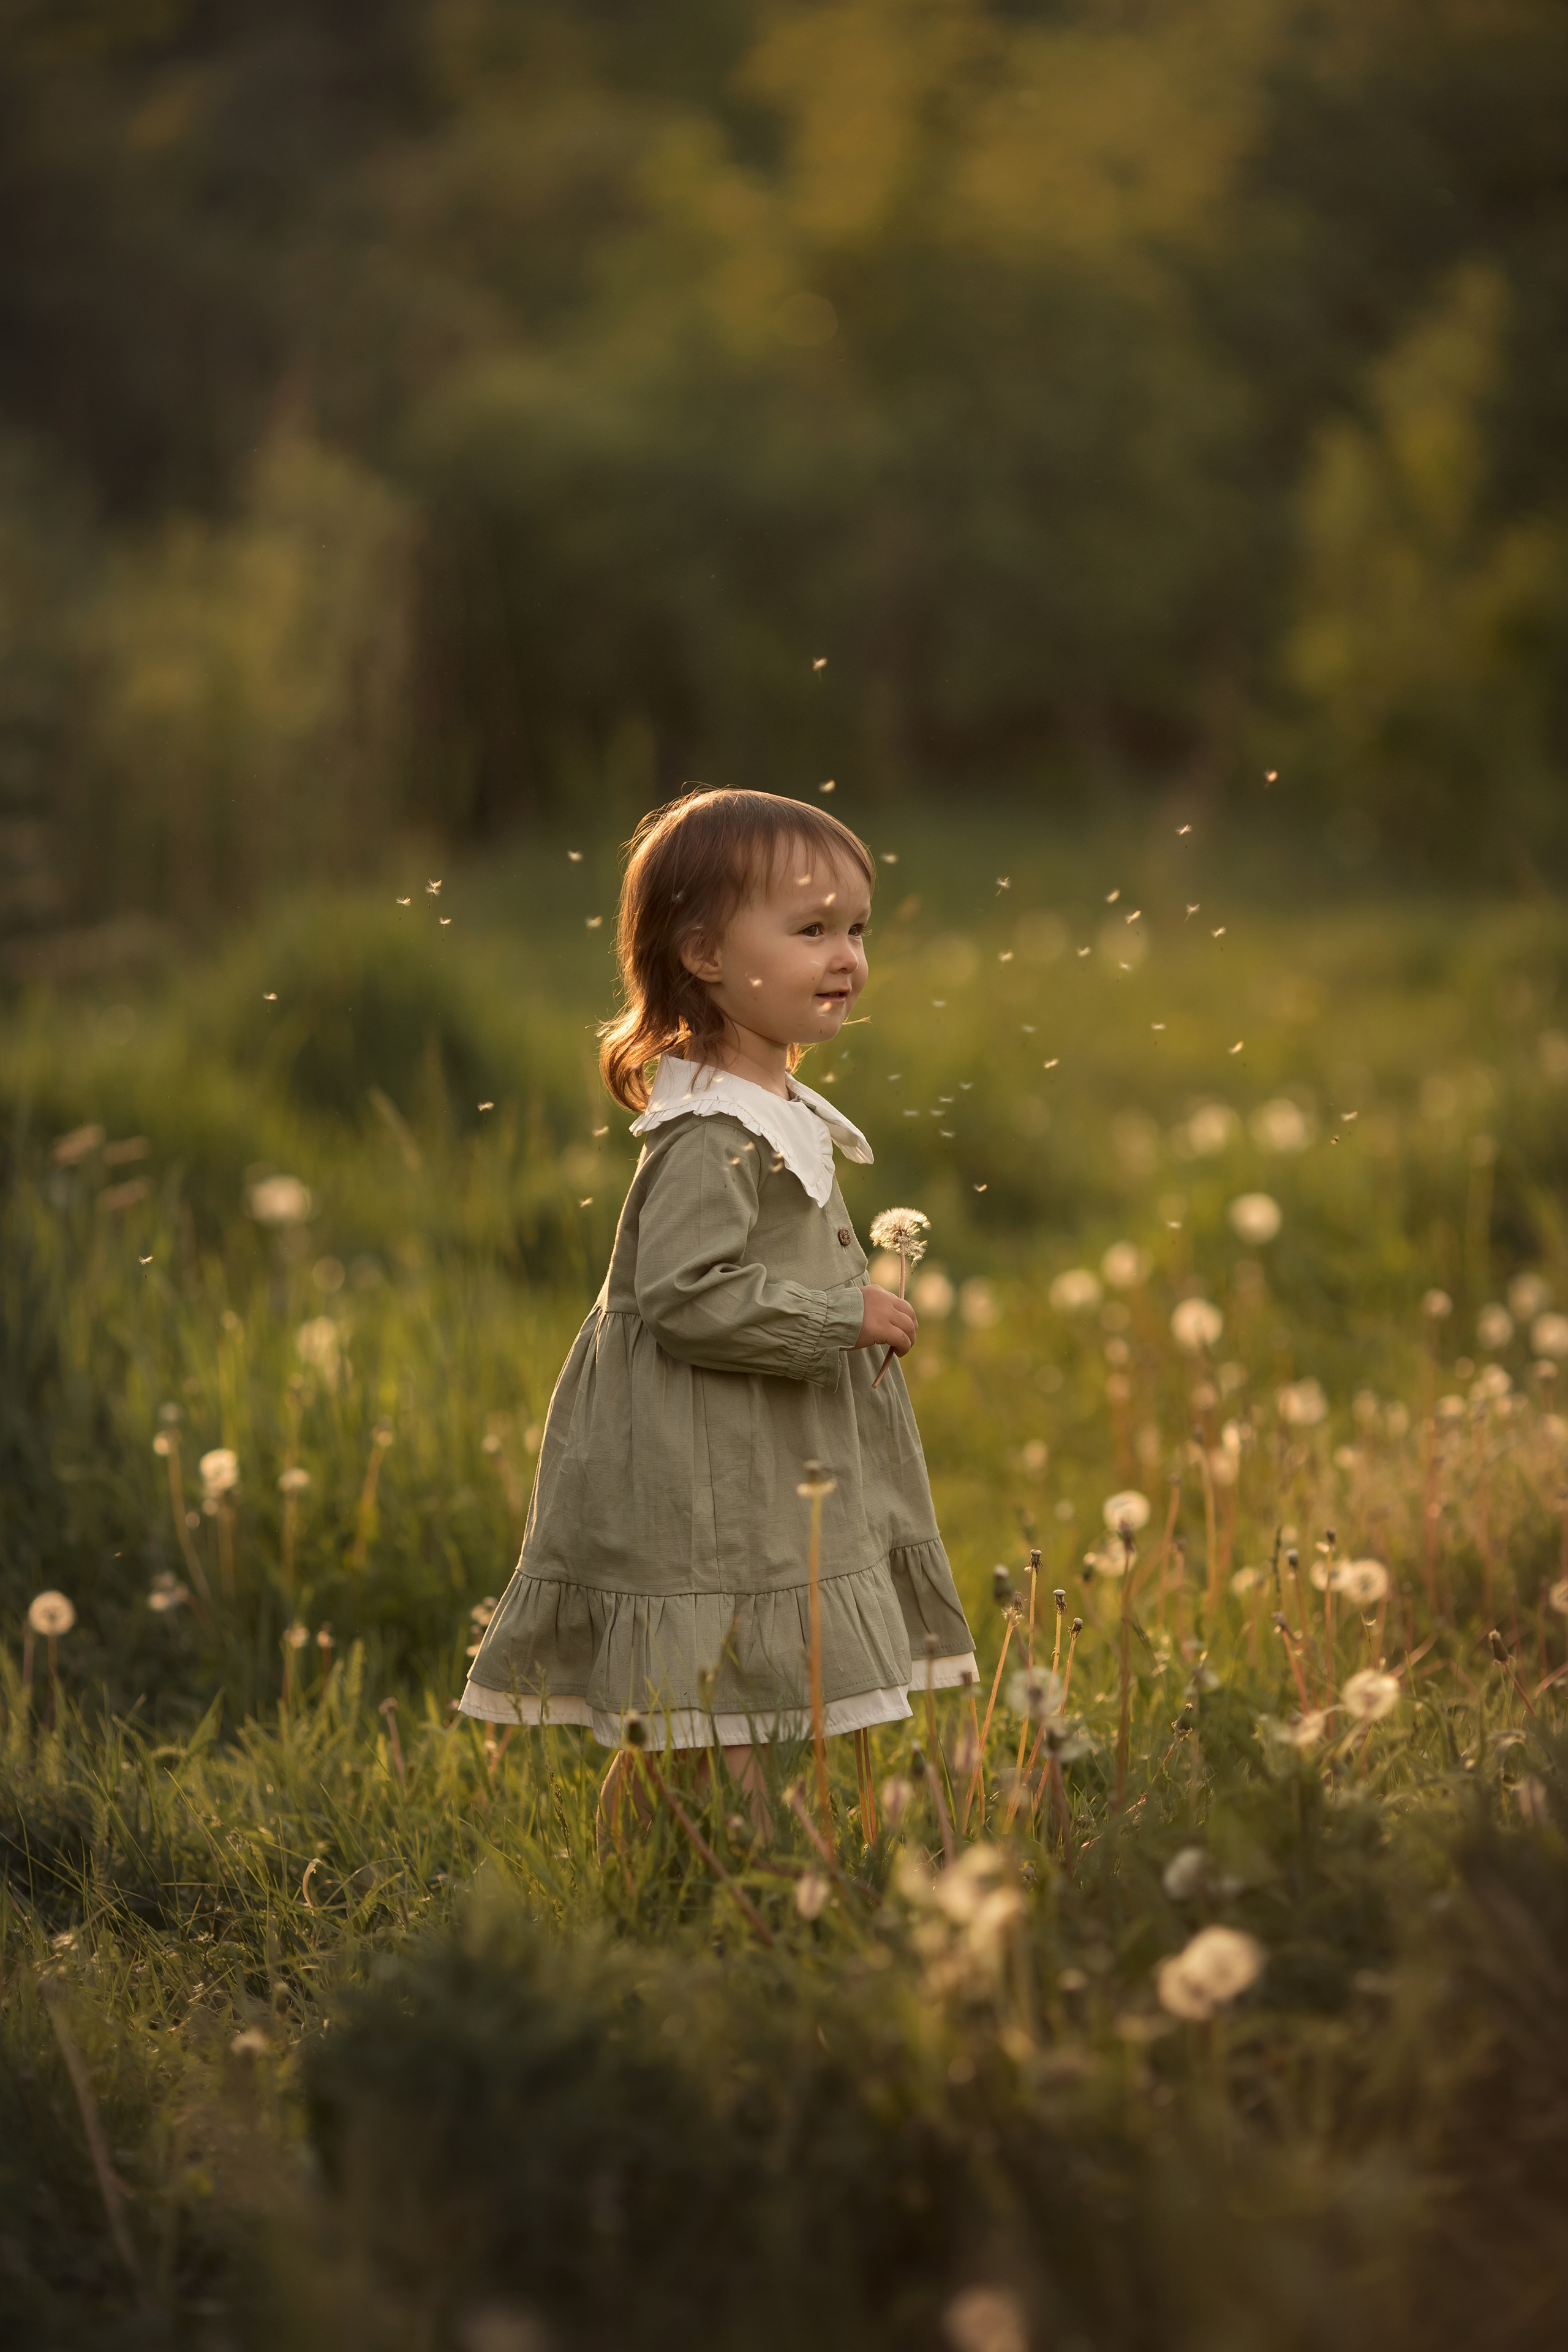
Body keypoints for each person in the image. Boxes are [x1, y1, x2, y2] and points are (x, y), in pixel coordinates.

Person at [460, 787, 975, 1830]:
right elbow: (687, 1297)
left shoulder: (767, 1104)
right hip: (702, 1475)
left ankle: (698, 1891)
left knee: (726, 1717)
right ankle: (684, 1902)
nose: (847, 957)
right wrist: (843, 1317)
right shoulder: (710, 1133)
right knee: (712, 1719)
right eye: (810, 929)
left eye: (856, 928)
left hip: (756, 1461)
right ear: (703, 954)